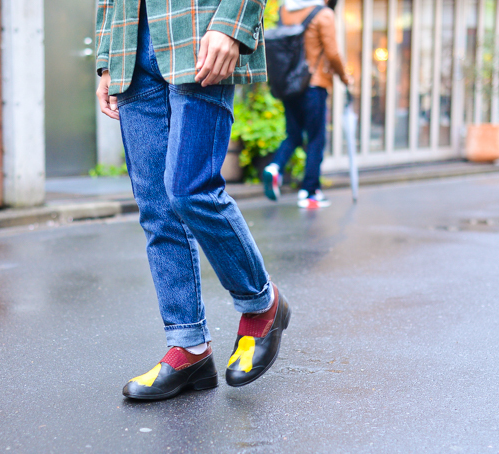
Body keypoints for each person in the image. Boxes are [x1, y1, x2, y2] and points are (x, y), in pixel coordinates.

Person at [96, 0, 292, 400]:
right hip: (129, 44)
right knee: (156, 210)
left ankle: (262, 304)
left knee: (190, 189)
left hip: (199, 30)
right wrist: (105, 57)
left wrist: (233, 23)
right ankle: (189, 348)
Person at [262, 0, 349, 208]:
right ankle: (310, 192)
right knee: (316, 138)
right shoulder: (323, 14)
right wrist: (346, 78)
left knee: (293, 134)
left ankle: (275, 167)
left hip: (291, 85)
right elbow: (333, 53)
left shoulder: (285, 9)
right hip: (314, 84)